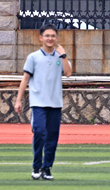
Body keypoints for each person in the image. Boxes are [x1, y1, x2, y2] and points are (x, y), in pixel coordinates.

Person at [14, 24, 72, 181]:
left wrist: (64, 55)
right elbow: (25, 78)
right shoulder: (33, 57)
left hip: (55, 103)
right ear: (41, 38)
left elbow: (68, 73)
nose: (50, 38)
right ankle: (36, 166)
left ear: (57, 38)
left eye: (53, 36)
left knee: (52, 137)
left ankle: (47, 168)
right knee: (40, 132)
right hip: (38, 103)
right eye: (47, 35)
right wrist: (18, 100)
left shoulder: (60, 56)